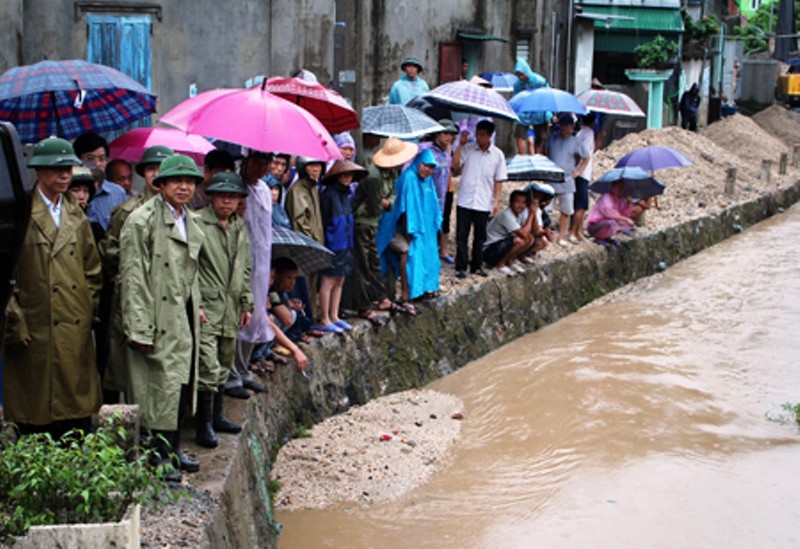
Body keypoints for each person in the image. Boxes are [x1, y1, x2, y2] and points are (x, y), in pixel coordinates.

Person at [3, 137, 102, 439]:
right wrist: (15, 323)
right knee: (35, 412)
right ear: (38, 171)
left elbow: (92, 271)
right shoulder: (20, 214)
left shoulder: (76, 216)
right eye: (55, 169)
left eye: (67, 170)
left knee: (75, 415)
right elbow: (6, 275)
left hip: (73, 328)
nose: (63, 176)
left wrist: (86, 311)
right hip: (35, 329)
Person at [120, 153, 205, 481]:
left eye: (190, 182)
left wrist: (195, 305)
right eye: (176, 181)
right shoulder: (141, 221)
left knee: (179, 385)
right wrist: (139, 327)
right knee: (157, 387)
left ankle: (173, 449)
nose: (184, 187)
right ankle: (159, 456)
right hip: (155, 313)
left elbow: (190, 270)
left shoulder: (190, 220)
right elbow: (133, 277)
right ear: (161, 185)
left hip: (180, 313)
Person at [100, 145, 172, 403]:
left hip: (166, 295)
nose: (156, 175)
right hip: (132, 293)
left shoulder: (179, 212)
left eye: (162, 169)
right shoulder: (127, 210)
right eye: (151, 169)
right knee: (122, 360)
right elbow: (110, 251)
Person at [195, 172, 252, 449]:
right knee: (208, 364)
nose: (228, 202)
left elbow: (245, 267)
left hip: (230, 306)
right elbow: (187, 267)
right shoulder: (197, 223)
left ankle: (217, 415)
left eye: (233, 197)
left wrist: (246, 301)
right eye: (222, 196)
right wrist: (196, 303)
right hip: (207, 304)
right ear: (212, 197)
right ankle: (202, 423)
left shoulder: (238, 227)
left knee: (224, 360)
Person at [346, 137, 418, 322]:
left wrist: (387, 203)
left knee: (374, 261)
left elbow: (392, 197)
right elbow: (373, 207)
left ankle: (381, 297)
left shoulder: (392, 173)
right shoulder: (374, 177)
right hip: (364, 222)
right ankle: (362, 306)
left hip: (374, 222)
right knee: (363, 264)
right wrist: (384, 204)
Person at [224, 151, 272, 398]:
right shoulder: (235, 187)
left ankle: (243, 370)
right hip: (241, 261)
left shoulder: (264, 189)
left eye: (266, 163)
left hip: (262, 261)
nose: (261, 168)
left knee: (254, 318)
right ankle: (231, 376)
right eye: (257, 162)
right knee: (237, 318)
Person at [377, 148, 442, 306]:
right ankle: (410, 291)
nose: (428, 170)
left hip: (426, 227)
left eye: (431, 167)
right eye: (425, 165)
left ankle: (428, 287)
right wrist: (410, 231)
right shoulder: (409, 178)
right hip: (406, 227)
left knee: (429, 254)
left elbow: (433, 204)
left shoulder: (428, 181)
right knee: (412, 254)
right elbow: (407, 209)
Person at [452, 119, 508, 279]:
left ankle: (476, 265)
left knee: (480, 236)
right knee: (462, 235)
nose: (479, 137)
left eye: (482, 135)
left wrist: (495, 201)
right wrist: (461, 145)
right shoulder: (468, 149)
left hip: (484, 200)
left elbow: (499, 180)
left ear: (490, 135)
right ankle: (461, 266)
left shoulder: (498, 155)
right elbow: (454, 165)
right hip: (465, 198)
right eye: (477, 134)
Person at [316, 159, 366, 333]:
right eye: (344, 175)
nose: (347, 178)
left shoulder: (345, 195)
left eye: (349, 175)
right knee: (328, 281)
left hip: (346, 243)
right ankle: (324, 318)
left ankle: (334, 315)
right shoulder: (328, 195)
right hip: (333, 244)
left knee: (340, 280)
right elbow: (323, 221)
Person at [285, 157, 326, 319]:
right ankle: (304, 320)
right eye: (311, 166)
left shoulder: (313, 188)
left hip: (316, 243)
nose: (315, 169)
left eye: (318, 165)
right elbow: (299, 221)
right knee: (303, 284)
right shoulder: (297, 190)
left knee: (312, 282)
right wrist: (312, 241)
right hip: (305, 244)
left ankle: (311, 317)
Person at [545, 113, 590, 245]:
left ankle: (561, 237)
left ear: (571, 127)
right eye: (561, 125)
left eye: (566, 125)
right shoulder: (552, 138)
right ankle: (545, 233)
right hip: (551, 177)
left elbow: (586, 157)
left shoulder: (576, 141)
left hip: (567, 179)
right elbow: (544, 151)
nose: (563, 127)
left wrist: (579, 171)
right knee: (545, 207)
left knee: (566, 210)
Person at [418, 119, 458, 263]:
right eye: (446, 133)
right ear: (437, 133)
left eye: (452, 134)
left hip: (440, 199)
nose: (449, 137)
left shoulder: (446, 155)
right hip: (424, 197)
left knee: (435, 228)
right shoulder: (424, 149)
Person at [73, 132, 126, 232]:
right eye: (90, 158)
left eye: (102, 159)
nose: (97, 164)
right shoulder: (69, 192)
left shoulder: (117, 193)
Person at [483, 190, 536, 276]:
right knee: (519, 240)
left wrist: (533, 213)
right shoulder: (507, 215)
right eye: (517, 202)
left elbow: (531, 231)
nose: (521, 206)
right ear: (511, 203)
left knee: (530, 238)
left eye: (523, 203)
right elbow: (523, 234)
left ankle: (510, 261)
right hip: (489, 251)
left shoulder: (519, 215)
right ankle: (500, 265)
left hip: (502, 245)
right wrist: (531, 215)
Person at [585, 181, 649, 245]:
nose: (620, 189)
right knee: (612, 223)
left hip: (608, 223)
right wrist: (625, 219)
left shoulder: (619, 198)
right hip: (594, 225)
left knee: (624, 224)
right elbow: (609, 213)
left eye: (622, 187)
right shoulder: (606, 197)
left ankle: (607, 237)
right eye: (618, 187)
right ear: (613, 186)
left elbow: (625, 213)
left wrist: (629, 203)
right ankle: (599, 238)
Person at [512, 58, 549, 155]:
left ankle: (538, 157)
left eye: (522, 74)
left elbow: (547, 94)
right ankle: (522, 156)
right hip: (524, 112)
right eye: (518, 75)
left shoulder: (539, 81)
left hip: (538, 111)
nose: (521, 77)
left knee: (541, 136)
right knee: (519, 135)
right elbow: (517, 98)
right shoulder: (517, 84)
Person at [572, 112, 596, 243]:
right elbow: (584, 153)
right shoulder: (588, 134)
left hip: (579, 173)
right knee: (581, 206)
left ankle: (578, 231)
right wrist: (580, 169)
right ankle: (576, 232)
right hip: (583, 173)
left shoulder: (580, 133)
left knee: (579, 204)